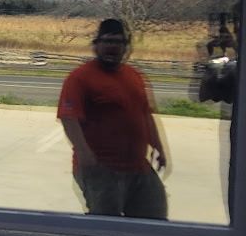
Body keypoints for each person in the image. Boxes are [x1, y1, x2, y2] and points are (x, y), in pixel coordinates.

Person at [57, 17, 168, 221]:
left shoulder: (134, 75)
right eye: (107, 41)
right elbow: (68, 117)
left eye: (118, 42)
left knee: (155, 221)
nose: (112, 47)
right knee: (107, 228)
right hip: (102, 170)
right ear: (96, 46)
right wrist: (83, 152)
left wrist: (158, 146)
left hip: (138, 167)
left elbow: (145, 114)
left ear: (125, 47)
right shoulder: (80, 77)